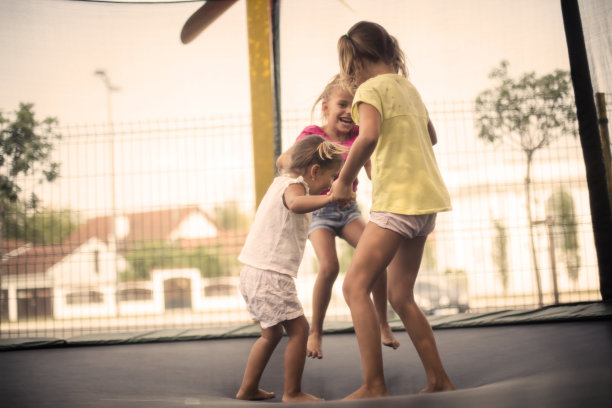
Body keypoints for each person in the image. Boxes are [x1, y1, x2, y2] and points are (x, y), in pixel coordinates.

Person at [330, 21, 456, 399]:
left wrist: (342, 180)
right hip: (425, 204)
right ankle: (438, 379)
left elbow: (367, 136)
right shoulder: (409, 88)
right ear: (389, 51)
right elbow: (431, 136)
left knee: (354, 286)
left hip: (397, 203)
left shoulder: (369, 90)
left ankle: (374, 384)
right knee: (401, 296)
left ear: (356, 62)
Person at [276, 74, 399, 360]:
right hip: (319, 211)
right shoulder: (312, 135)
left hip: (348, 212)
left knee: (377, 258)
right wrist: (294, 162)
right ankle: (315, 331)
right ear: (325, 108)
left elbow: (371, 170)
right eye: (342, 104)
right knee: (329, 266)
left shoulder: (360, 137)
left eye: (353, 106)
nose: (348, 111)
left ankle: (383, 323)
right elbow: (284, 162)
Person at [236, 135, 349, 403]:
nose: (332, 183)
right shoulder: (294, 186)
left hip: (254, 272)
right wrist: (331, 198)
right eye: (332, 176)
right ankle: (292, 392)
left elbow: (286, 160)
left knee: (272, 334)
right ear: (314, 171)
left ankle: (248, 388)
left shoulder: (282, 180)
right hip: (270, 275)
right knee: (300, 330)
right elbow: (296, 205)